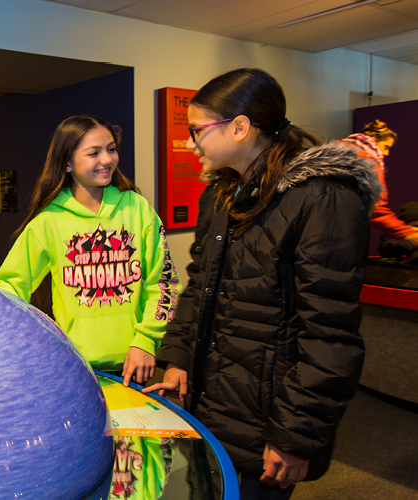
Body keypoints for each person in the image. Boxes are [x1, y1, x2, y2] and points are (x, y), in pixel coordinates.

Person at [142, 68, 382, 500]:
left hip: (268, 418)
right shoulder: (220, 195)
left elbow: (330, 335)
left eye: (197, 130)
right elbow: (200, 287)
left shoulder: (325, 197)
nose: (191, 143)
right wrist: (177, 358)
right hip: (211, 404)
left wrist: (295, 435)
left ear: (239, 128)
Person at [0, 115, 179, 387]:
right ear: (67, 162)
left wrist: (147, 340)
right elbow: (8, 288)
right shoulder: (49, 221)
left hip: (136, 364)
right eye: (94, 153)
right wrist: (33, 340)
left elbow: (163, 281)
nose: (107, 159)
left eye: (111, 149)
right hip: (74, 367)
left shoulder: (137, 208)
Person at [342, 119, 418, 251]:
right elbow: (375, 208)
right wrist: (405, 233)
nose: (386, 153)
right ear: (374, 139)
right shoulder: (367, 160)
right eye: (386, 147)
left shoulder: (326, 155)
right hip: (339, 235)